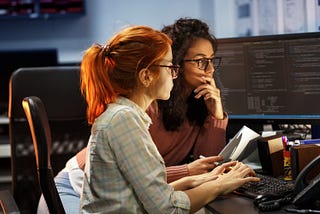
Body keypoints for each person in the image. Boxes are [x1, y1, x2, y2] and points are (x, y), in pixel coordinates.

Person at [37, 18, 232, 213]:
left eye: (211, 60)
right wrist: (191, 174)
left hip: (123, 198)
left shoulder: (185, 105)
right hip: (73, 187)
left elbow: (207, 162)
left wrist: (215, 114)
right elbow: (146, 187)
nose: (211, 69)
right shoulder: (134, 111)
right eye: (200, 61)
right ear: (148, 75)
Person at [78, 25, 259, 213]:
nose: (175, 73)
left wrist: (197, 179)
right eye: (170, 66)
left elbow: (140, 191)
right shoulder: (125, 120)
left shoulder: (125, 114)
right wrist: (220, 186)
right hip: (73, 182)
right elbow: (166, 209)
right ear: (146, 76)